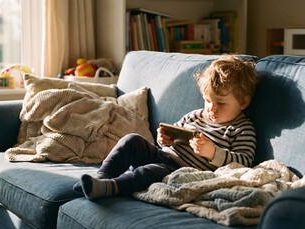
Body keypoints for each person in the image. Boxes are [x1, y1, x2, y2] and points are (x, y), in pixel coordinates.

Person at [75, 55, 260, 200]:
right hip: (162, 154)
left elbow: (243, 163)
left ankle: (111, 188)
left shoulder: (242, 129)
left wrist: (213, 152)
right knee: (131, 140)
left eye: (221, 103)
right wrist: (163, 138)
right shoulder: (195, 115)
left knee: (149, 172)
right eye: (207, 100)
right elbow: (173, 132)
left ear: (243, 102)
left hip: (181, 171)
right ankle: (101, 177)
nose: (211, 108)